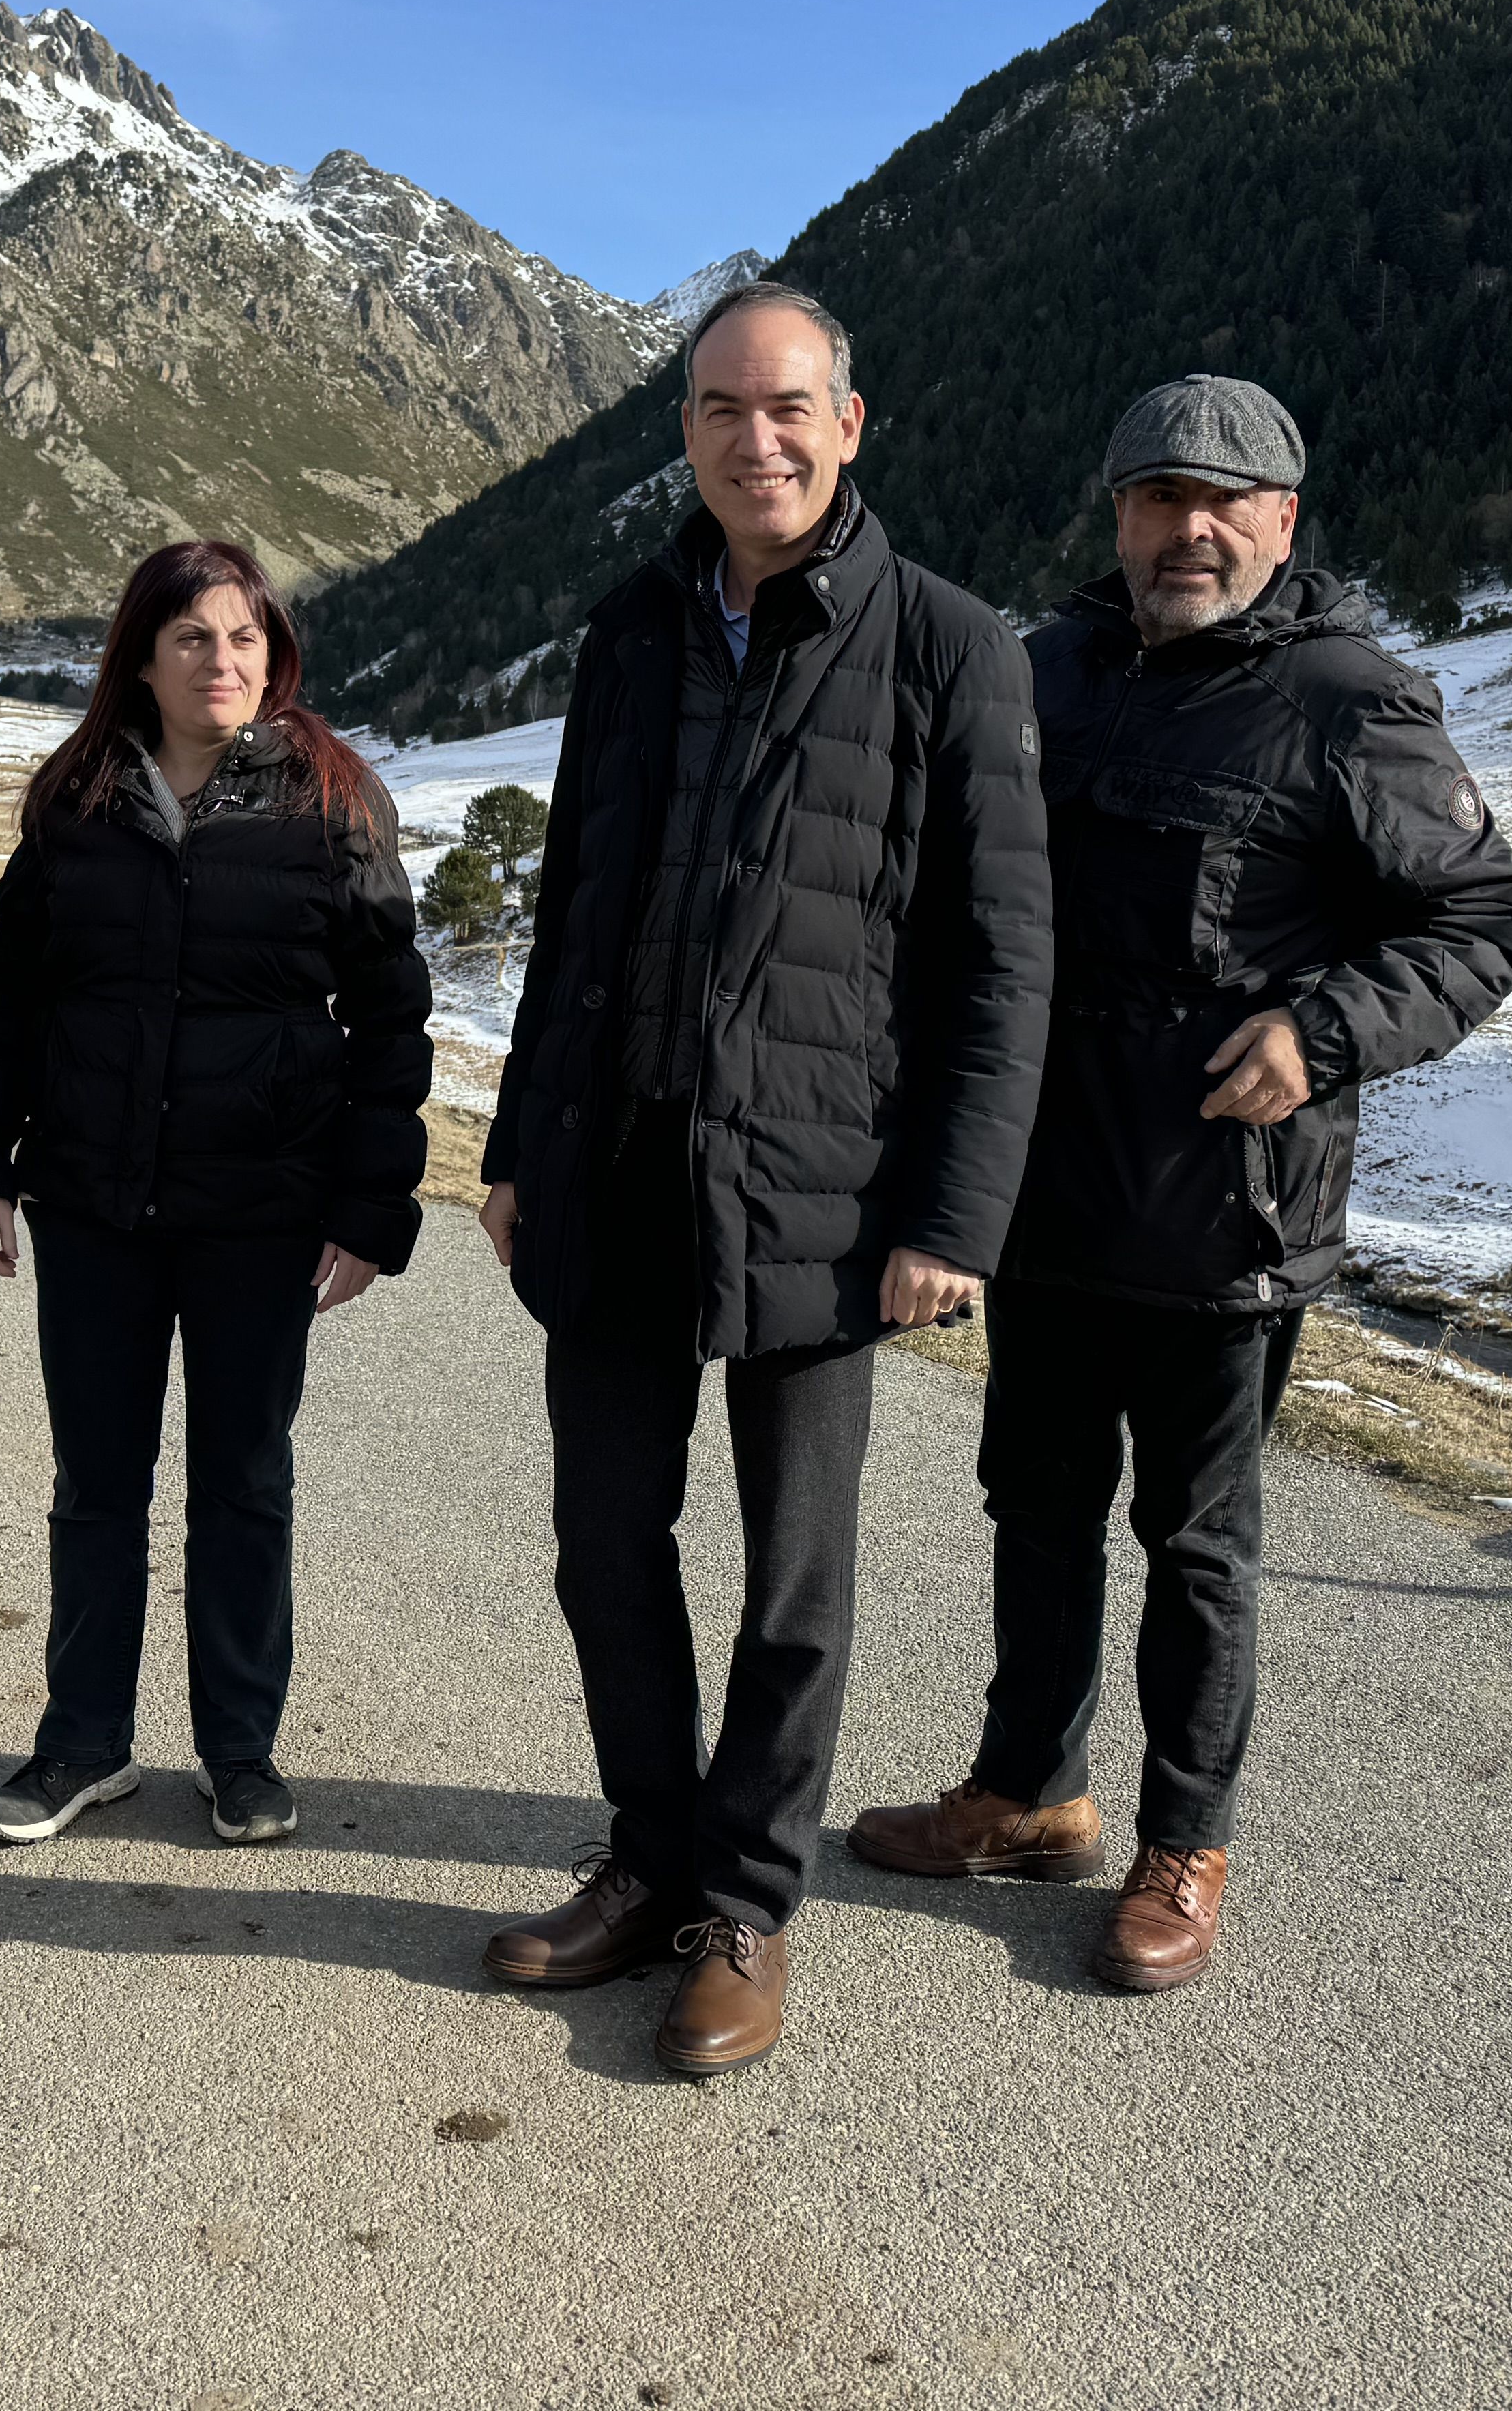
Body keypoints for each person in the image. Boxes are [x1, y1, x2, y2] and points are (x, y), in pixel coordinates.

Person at [848, 375, 1512, 1992]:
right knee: (1034, 1507)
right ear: (1121, 515)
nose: (1193, 530)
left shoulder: (1349, 701)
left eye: (1228, 504)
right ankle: (1028, 1792)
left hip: (1224, 1222)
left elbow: (1482, 921)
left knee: (1196, 1541)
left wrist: (1324, 1030)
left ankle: (1186, 1840)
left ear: (1284, 520)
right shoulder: (1047, 670)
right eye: (1162, 499)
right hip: (1043, 1203)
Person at [473, 281, 1051, 2076]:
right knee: (602, 1544)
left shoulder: (951, 644)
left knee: (794, 1579)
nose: (757, 438)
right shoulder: (630, 629)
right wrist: (513, 1144)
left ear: (848, 423)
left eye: (788, 405)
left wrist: (953, 1216)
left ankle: (747, 1903)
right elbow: (577, 912)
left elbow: (1002, 962)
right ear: (690, 433)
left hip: (827, 1186)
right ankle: (652, 1856)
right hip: (617, 1164)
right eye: (722, 408)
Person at [0, 538, 430, 1851]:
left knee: (243, 1483)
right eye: (193, 638)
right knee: (96, 1483)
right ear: (143, 660)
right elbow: (9, 998)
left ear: (275, 658)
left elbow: (391, 1020)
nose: (222, 660)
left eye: (245, 638)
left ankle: (241, 1753)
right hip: (93, 1206)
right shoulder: (78, 799)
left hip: (262, 1213)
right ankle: (82, 1745)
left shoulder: (333, 804)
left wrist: (372, 1209)